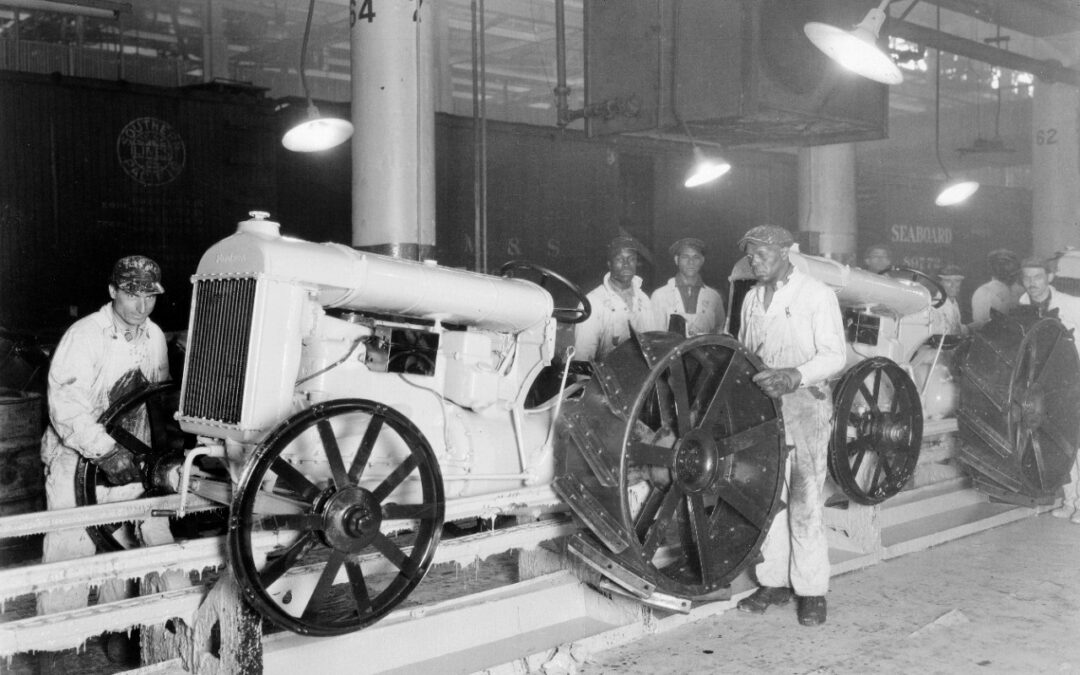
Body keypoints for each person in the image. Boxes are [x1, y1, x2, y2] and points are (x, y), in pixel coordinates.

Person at [37, 255, 185, 666]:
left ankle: (118, 636)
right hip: (76, 461)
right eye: (133, 295)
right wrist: (104, 451)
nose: (142, 306)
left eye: (150, 297)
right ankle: (56, 652)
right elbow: (65, 407)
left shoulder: (153, 336)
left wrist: (159, 458)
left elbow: (154, 401)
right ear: (113, 291)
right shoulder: (85, 335)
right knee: (69, 556)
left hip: (132, 461)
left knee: (121, 554)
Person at [733, 225, 846, 627]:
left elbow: (835, 356)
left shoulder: (816, 294)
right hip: (763, 409)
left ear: (785, 252)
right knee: (767, 497)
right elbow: (746, 351)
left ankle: (812, 591)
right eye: (750, 254)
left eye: (761, 253)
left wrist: (795, 376)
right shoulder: (750, 298)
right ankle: (774, 582)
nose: (753, 260)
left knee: (804, 498)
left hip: (804, 404)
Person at [1016, 256, 1080, 524]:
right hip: (1045, 388)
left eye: (1038, 277)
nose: (1032, 283)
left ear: (1050, 277)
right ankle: (1070, 501)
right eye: (1027, 278)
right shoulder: (1020, 305)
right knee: (1059, 446)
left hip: (1074, 383)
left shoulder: (1073, 304)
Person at [573, 236, 658, 361]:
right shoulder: (593, 302)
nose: (626, 264)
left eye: (631, 259)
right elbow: (583, 356)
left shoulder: (644, 299)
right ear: (609, 264)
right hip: (604, 376)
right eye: (619, 259)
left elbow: (653, 344)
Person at [650, 237, 725, 337]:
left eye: (696, 257)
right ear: (677, 260)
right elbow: (656, 337)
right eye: (685, 257)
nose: (691, 262)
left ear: (702, 260)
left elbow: (719, 331)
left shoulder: (713, 296)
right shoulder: (660, 295)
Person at [971, 249, 1023, 325]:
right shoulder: (984, 292)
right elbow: (981, 327)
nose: (1006, 268)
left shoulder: (1020, 290)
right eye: (1001, 265)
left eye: (1009, 265)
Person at [929, 264, 965, 335]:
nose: (953, 285)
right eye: (948, 281)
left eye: (957, 281)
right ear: (940, 282)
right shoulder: (936, 305)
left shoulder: (953, 302)